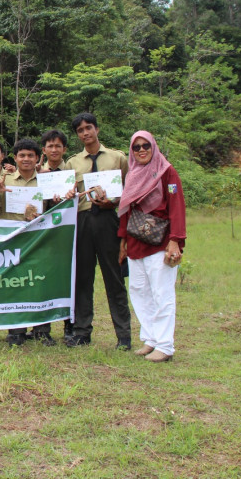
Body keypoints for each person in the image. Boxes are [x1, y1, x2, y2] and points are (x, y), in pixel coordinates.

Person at [118, 131, 186, 363]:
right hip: (136, 241)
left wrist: (175, 240)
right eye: (136, 147)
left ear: (154, 146)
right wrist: (123, 241)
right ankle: (151, 339)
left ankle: (165, 345)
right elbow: (127, 209)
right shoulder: (133, 175)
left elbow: (176, 206)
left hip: (160, 241)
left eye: (146, 145)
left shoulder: (167, 172)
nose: (141, 150)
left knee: (161, 293)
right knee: (139, 290)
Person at [0, 139, 58, 346]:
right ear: (15, 158)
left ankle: (42, 330)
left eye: (30, 156)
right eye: (22, 155)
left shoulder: (46, 180)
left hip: (38, 239)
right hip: (13, 241)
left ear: (37, 159)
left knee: (39, 283)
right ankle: (16, 331)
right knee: (15, 286)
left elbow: (57, 206)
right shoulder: (5, 179)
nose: (26, 159)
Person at [66, 113, 132, 349]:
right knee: (83, 279)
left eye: (89, 128)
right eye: (80, 130)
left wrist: (112, 203)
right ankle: (82, 332)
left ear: (97, 129)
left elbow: (129, 190)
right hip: (82, 221)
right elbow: (67, 194)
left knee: (114, 278)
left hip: (107, 219)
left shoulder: (118, 158)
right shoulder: (72, 163)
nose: (85, 133)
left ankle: (124, 336)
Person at [38, 129, 74, 340]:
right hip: (41, 236)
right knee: (42, 279)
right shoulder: (37, 174)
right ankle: (42, 329)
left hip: (65, 233)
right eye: (50, 146)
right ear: (44, 150)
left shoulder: (72, 172)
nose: (54, 150)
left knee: (68, 278)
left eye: (58, 146)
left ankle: (70, 327)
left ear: (64, 149)